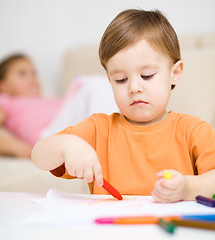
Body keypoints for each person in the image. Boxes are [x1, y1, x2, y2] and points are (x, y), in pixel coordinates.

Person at [31, 9, 215, 203]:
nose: (134, 88)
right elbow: (38, 155)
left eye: (147, 76)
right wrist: (68, 147)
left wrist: (186, 188)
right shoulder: (99, 129)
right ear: (110, 80)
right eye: (121, 80)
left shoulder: (194, 131)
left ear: (175, 73)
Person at [0, 54, 118, 158]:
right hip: (49, 137)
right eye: (22, 74)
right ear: (3, 85)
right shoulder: (6, 101)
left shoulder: (46, 98)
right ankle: (111, 145)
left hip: (70, 127)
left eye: (34, 73)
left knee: (105, 86)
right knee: (94, 85)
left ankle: (118, 137)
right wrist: (15, 147)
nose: (32, 78)